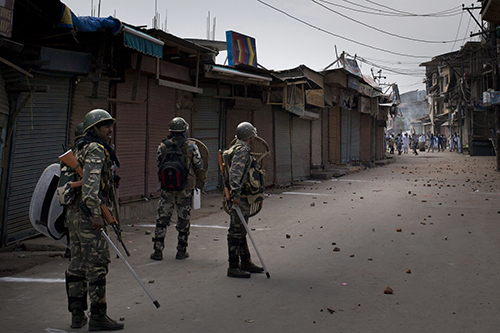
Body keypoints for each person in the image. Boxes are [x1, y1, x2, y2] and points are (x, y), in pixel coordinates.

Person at [63, 109, 124, 331]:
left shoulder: (78, 149)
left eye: (110, 125)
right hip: (89, 214)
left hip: (73, 214)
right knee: (97, 264)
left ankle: (77, 316)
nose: (110, 130)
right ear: (94, 130)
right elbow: (91, 185)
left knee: (77, 265)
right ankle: (98, 316)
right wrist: (97, 215)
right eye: (105, 126)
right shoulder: (96, 149)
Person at [151, 117, 206, 261]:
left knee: (162, 218)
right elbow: (199, 165)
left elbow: (158, 164)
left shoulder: (163, 146)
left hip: (166, 188)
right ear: (185, 130)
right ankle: (181, 250)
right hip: (185, 188)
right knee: (183, 218)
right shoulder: (191, 146)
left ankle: (158, 250)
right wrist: (199, 183)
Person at [225, 122, 265, 278]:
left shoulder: (239, 148)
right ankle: (233, 266)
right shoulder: (242, 150)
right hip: (239, 197)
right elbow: (236, 173)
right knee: (235, 232)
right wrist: (235, 194)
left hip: (242, 195)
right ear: (250, 136)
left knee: (241, 230)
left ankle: (246, 262)